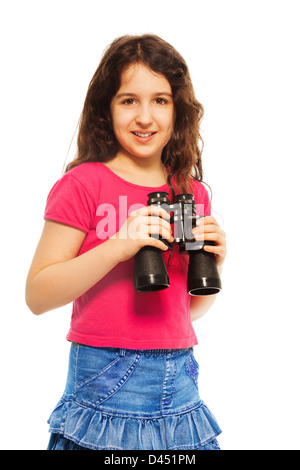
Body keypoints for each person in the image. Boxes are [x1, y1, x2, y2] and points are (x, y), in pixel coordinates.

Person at [25, 34, 227, 451]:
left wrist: (215, 265)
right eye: (128, 100)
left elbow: (187, 313)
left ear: (178, 110)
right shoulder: (82, 184)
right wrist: (119, 246)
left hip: (180, 383)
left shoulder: (191, 192)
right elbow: (38, 295)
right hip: (103, 378)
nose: (145, 117)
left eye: (161, 100)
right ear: (107, 107)